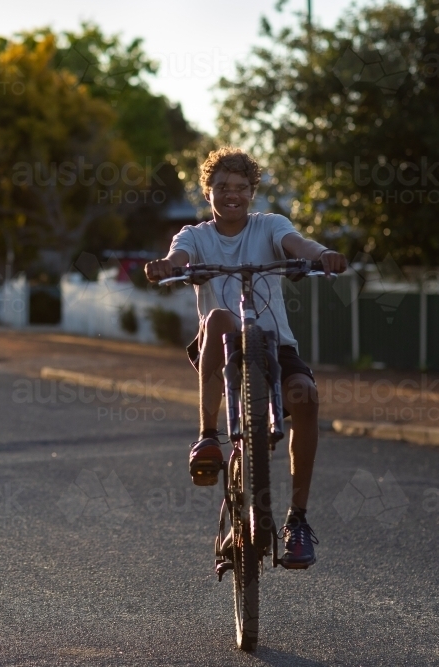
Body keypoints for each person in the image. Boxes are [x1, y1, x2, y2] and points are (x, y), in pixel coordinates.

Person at [144, 147, 347, 569]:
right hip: (219, 351)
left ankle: (297, 520)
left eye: (240, 187)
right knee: (218, 315)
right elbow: (178, 257)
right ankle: (206, 436)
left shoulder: (270, 225)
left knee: (305, 396)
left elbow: (297, 243)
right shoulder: (195, 236)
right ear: (208, 191)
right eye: (222, 187)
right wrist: (168, 266)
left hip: (274, 345)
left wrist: (319, 254)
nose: (231, 194)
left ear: (252, 191)